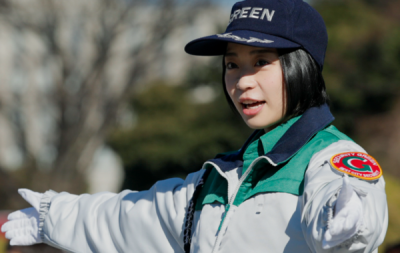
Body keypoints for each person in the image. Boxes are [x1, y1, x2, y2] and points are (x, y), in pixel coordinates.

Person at [1, 0, 388, 252]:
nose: (242, 80)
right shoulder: (217, 179)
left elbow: (349, 202)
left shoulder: (331, 157)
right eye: (232, 64)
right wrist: (53, 216)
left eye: (261, 62)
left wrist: (351, 227)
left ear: (302, 67)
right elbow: (130, 216)